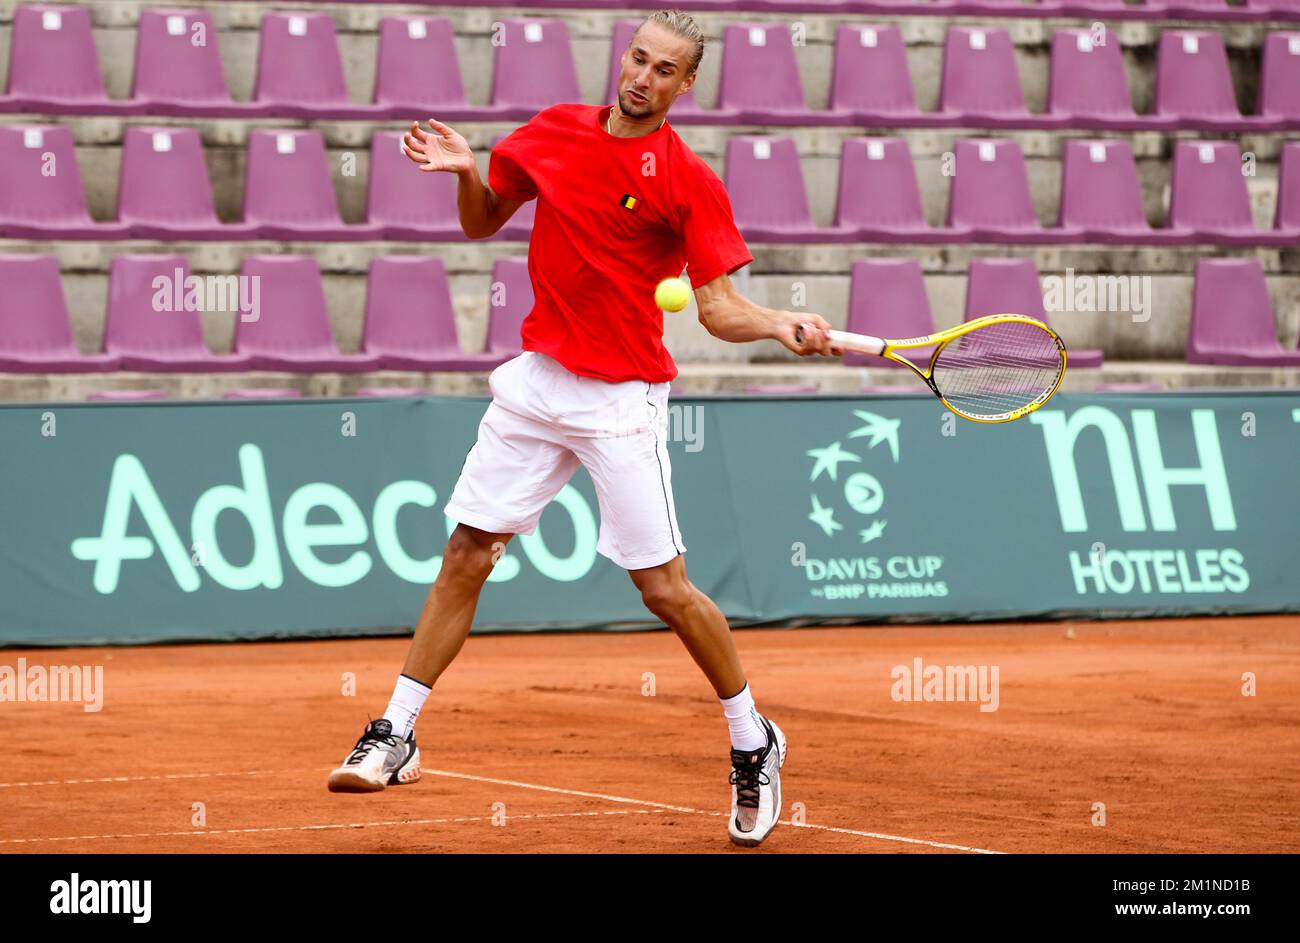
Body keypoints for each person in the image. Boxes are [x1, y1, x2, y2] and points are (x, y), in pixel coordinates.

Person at [327, 9, 839, 847]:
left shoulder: (686, 180)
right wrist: (465, 170)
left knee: (664, 590)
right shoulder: (555, 130)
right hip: (537, 382)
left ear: (686, 84)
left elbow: (716, 309)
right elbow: (483, 220)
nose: (643, 76)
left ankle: (755, 738)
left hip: (619, 399)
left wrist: (779, 323)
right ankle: (396, 727)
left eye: (664, 68)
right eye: (638, 57)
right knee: (467, 550)